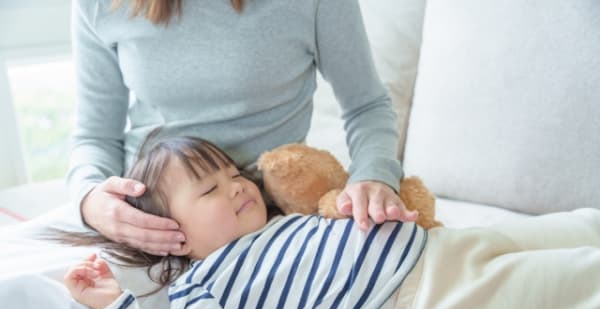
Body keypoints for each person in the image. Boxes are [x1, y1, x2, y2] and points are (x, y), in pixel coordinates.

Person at [64, 135, 600, 309]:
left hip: (444, 245)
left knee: (576, 225)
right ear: (168, 235)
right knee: (577, 280)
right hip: (436, 301)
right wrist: (114, 306)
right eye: (210, 189)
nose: (236, 186)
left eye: (232, 173)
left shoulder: (275, 220)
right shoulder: (203, 289)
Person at [69, 0, 418, 257]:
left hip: (262, 223)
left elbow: (366, 106)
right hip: (145, 223)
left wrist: (372, 176)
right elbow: (95, 136)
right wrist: (90, 201)